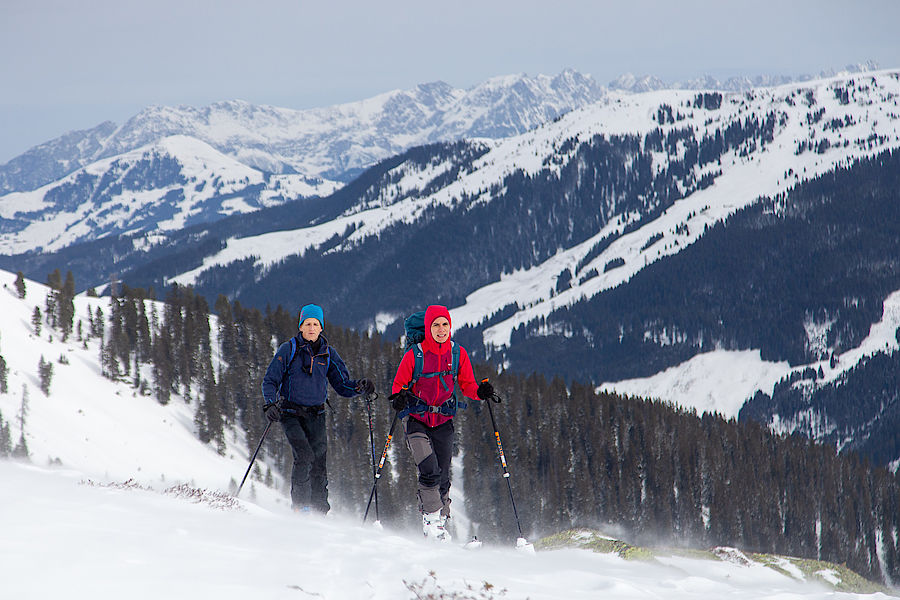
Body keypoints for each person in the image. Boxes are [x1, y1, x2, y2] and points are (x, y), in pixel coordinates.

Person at [389, 305, 495, 541]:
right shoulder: (414, 355)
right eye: (435, 325)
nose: (441, 329)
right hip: (416, 420)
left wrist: (482, 392)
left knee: (444, 475)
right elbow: (398, 386)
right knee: (429, 470)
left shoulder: (458, 354)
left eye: (444, 324)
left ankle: (441, 525)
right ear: (428, 328)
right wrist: (399, 397)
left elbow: (468, 386)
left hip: (444, 420)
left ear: (450, 326)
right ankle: (431, 520)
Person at [261, 303, 375, 513]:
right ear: (301, 326)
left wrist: (360, 387)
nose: (311, 328)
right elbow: (270, 380)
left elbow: (342, 384)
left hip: (317, 415)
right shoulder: (289, 349)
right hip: (290, 413)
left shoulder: (328, 354)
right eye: (307, 323)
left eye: (315, 324)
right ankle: (301, 508)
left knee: (319, 462)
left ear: (321, 327)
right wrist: (270, 404)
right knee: (304, 456)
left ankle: (319, 510)